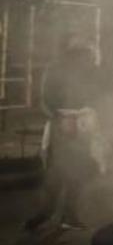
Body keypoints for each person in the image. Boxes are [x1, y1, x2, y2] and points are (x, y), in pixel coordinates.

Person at [25, 42, 100, 234]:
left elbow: (95, 97)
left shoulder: (88, 74)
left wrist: (88, 113)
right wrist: (60, 118)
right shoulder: (55, 70)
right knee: (56, 173)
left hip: (81, 127)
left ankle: (69, 215)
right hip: (61, 127)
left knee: (78, 173)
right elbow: (43, 101)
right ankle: (46, 213)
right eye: (88, 58)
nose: (91, 62)